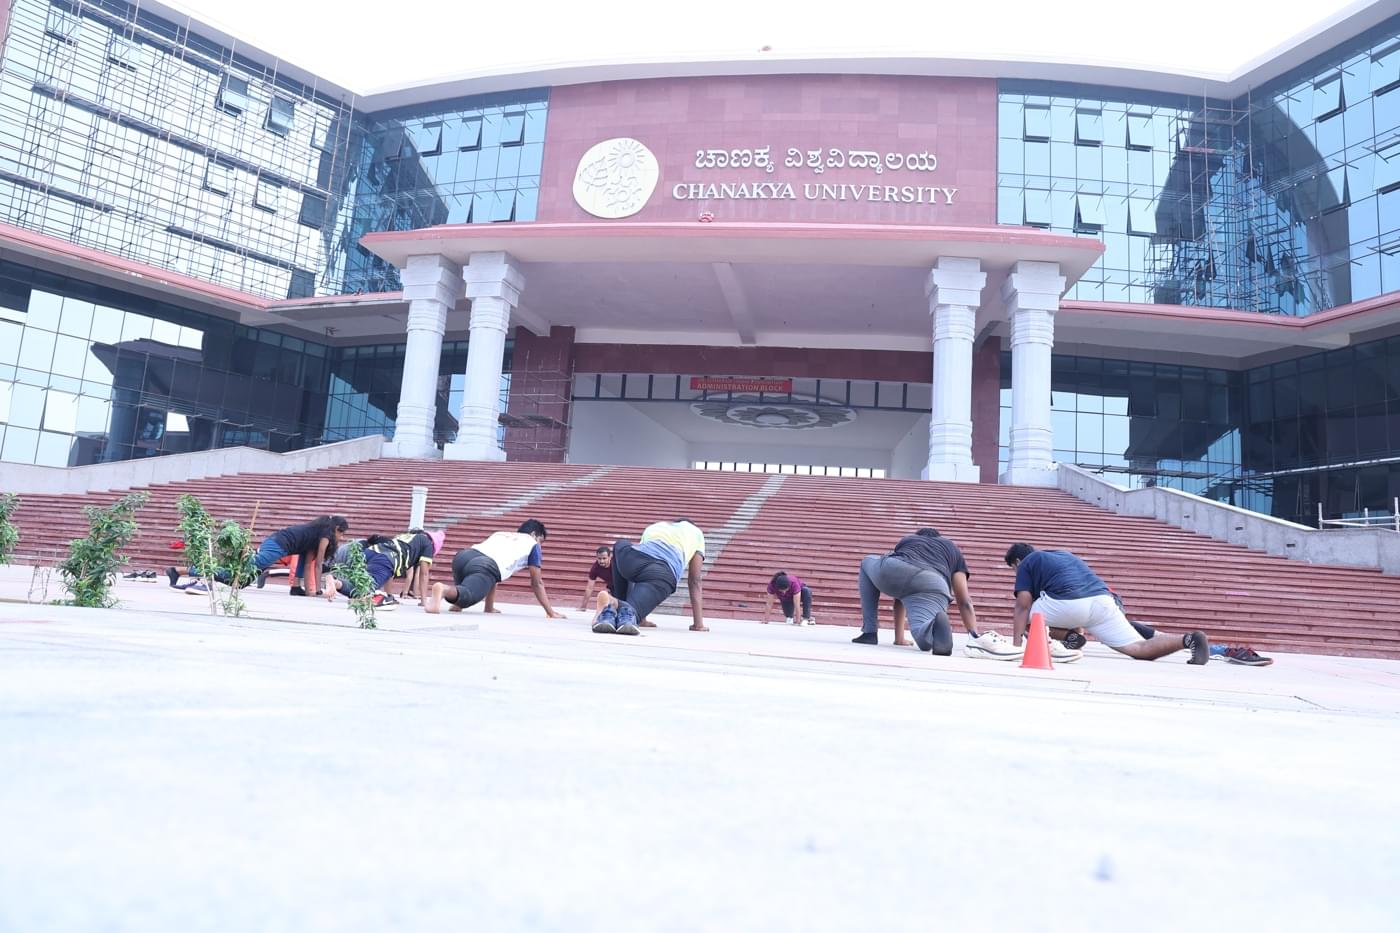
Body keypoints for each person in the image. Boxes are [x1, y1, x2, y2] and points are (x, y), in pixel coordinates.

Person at [1003, 543, 1209, 664]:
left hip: (1069, 604)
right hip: (1103, 602)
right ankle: (1189, 639)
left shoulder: (1027, 563)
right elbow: (1072, 590)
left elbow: (1022, 604)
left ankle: (1068, 637)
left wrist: (1016, 644)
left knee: (1028, 616)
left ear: (1017, 562)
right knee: (1138, 648)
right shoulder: (1063, 555)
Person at [852, 527, 978, 655]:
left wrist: (899, 638)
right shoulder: (952, 548)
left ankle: (869, 632)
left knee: (867, 562)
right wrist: (974, 637)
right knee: (923, 637)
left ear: (918, 535)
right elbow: (964, 601)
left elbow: (898, 597)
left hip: (896, 569)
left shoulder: (909, 539)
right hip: (933, 582)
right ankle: (932, 626)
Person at [425, 519, 565, 618]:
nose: (540, 545)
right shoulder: (532, 544)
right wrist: (550, 612)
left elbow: (493, 579)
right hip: (485, 565)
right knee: (469, 596)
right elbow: (537, 583)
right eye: (541, 541)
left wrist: (489, 608)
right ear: (535, 535)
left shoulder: (501, 534)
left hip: (464, 556)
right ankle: (443, 590)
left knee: (475, 581)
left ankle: (457, 604)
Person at [593, 518, 707, 636]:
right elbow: (695, 580)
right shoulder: (696, 533)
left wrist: (643, 618)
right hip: (663, 572)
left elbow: (637, 577)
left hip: (631, 558)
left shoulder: (658, 526)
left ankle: (614, 609)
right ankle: (617, 605)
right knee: (632, 614)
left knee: (620, 544)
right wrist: (698, 625)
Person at [325, 534, 401, 610]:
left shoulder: (361, 543)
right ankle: (357, 597)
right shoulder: (368, 551)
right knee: (366, 586)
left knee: (357, 586)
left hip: (334, 562)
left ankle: (336, 583)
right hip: (342, 563)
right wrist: (389, 595)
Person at [579, 545, 614, 610]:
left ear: (609, 557)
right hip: (612, 587)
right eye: (599, 558)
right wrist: (583, 606)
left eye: (604, 558)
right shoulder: (595, 568)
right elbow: (589, 588)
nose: (601, 561)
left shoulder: (615, 564)